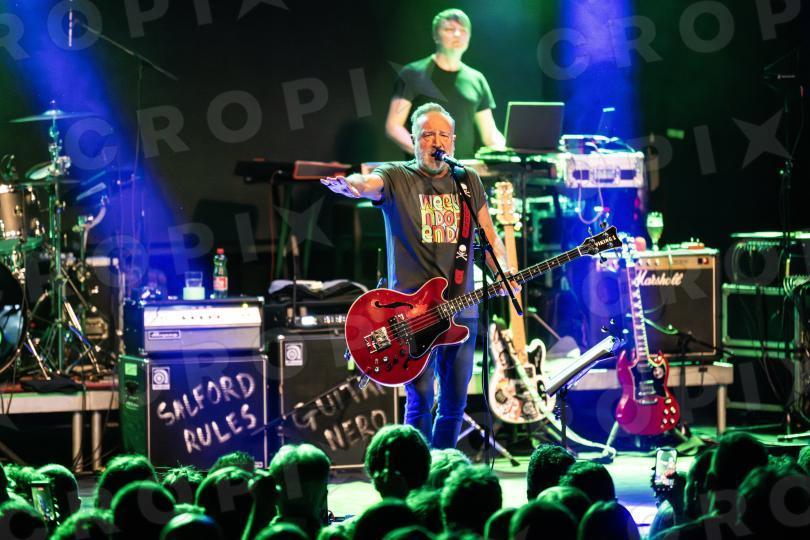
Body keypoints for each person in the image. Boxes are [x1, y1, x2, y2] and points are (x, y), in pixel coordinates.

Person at [322, 102, 515, 449]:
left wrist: (504, 269)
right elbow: (369, 182)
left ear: (453, 141)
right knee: (421, 399)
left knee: (454, 403)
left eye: (443, 135)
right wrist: (352, 185)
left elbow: (488, 236)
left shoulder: (467, 180)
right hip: (411, 313)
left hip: (462, 307)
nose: (435, 142)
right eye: (427, 135)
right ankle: (417, 471)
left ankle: (443, 467)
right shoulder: (397, 175)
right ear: (413, 140)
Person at [385, 8, 504, 159]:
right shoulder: (412, 73)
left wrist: (512, 151)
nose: (457, 34)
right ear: (435, 35)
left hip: (462, 169)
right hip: (423, 170)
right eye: (449, 29)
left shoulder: (477, 79)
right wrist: (425, 153)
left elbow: (489, 134)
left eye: (463, 30)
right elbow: (394, 126)